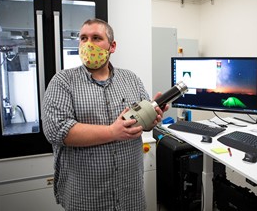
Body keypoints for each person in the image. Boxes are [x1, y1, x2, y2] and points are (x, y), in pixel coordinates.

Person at [42, 18, 168, 211]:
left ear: (112, 46)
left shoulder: (131, 79)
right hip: (87, 198)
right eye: (83, 38)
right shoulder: (63, 81)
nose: (88, 44)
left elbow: (143, 124)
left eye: (96, 38)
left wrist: (153, 117)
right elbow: (56, 130)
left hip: (130, 195)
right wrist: (112, 132)